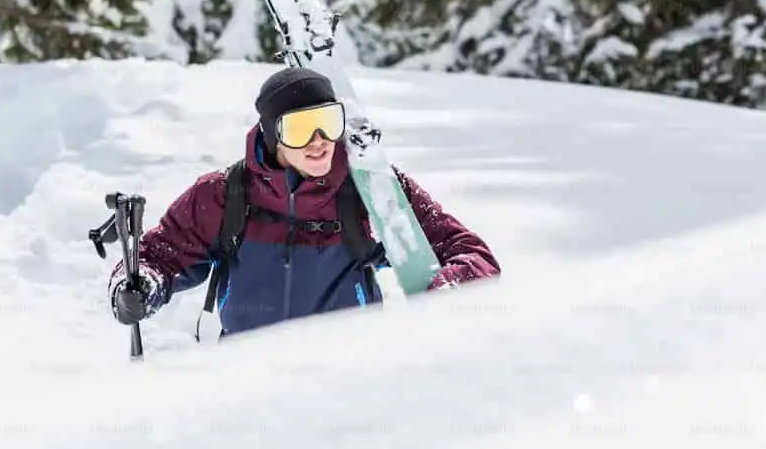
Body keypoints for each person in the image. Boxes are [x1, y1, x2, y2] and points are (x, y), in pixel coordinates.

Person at [107, 67, 500, 338]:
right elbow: (157, 255)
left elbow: (469, 252)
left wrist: (448, 288)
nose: (318, 140)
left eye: (328, 122)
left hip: (348, 374)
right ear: (272, 136)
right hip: (242, 375)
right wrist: (139, 286)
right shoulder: (225, 193)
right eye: (298, 128)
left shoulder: (371, 189)